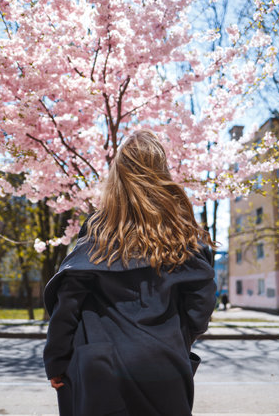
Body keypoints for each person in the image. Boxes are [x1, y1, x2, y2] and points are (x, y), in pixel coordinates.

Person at [43, 130, 217, 416]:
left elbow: (69, 302)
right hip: (166, 365)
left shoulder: (98, 230)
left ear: (118, 174)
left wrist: (56, 360)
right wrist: (174, 340)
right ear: (162, 171)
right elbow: (201, 305)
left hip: (101, 368)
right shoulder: (183, 233)